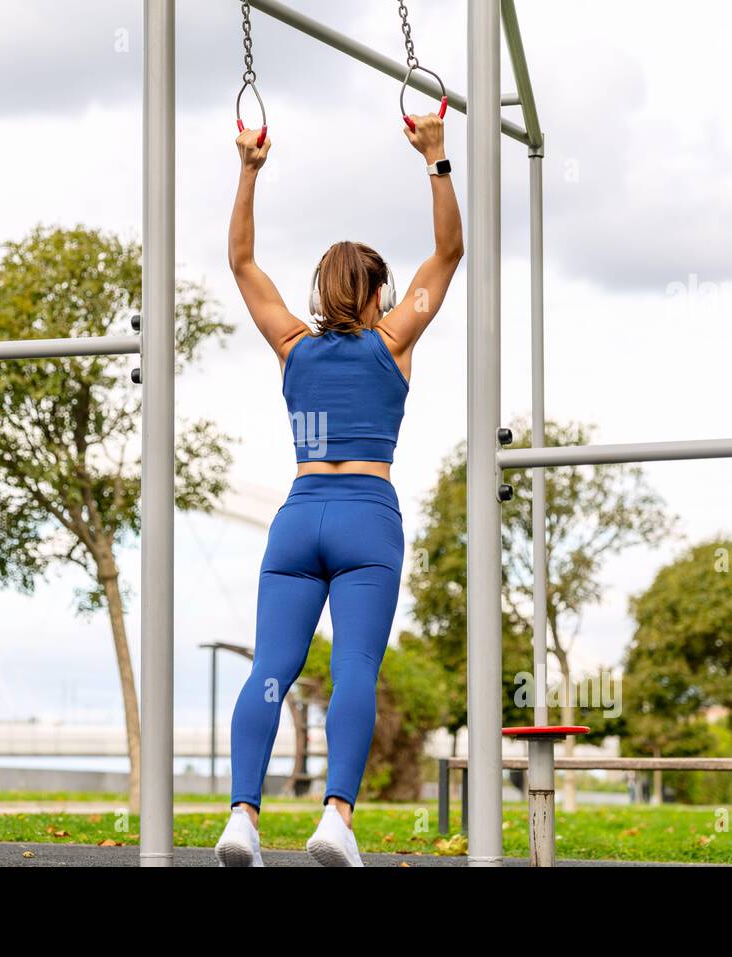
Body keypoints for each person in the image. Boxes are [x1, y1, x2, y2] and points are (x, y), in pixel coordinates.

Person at [215, 107, 464, 867]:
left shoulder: (290, 344)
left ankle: (242, 818)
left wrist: (249, 170)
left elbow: (241, 261)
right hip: (365, 515)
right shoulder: (395, 341)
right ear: (378, 292)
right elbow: (450, 252)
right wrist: (436, 157)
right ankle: (335, 818)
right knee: (356, 667)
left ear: (323, 291)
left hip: (296, 519)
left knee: (269, 670)